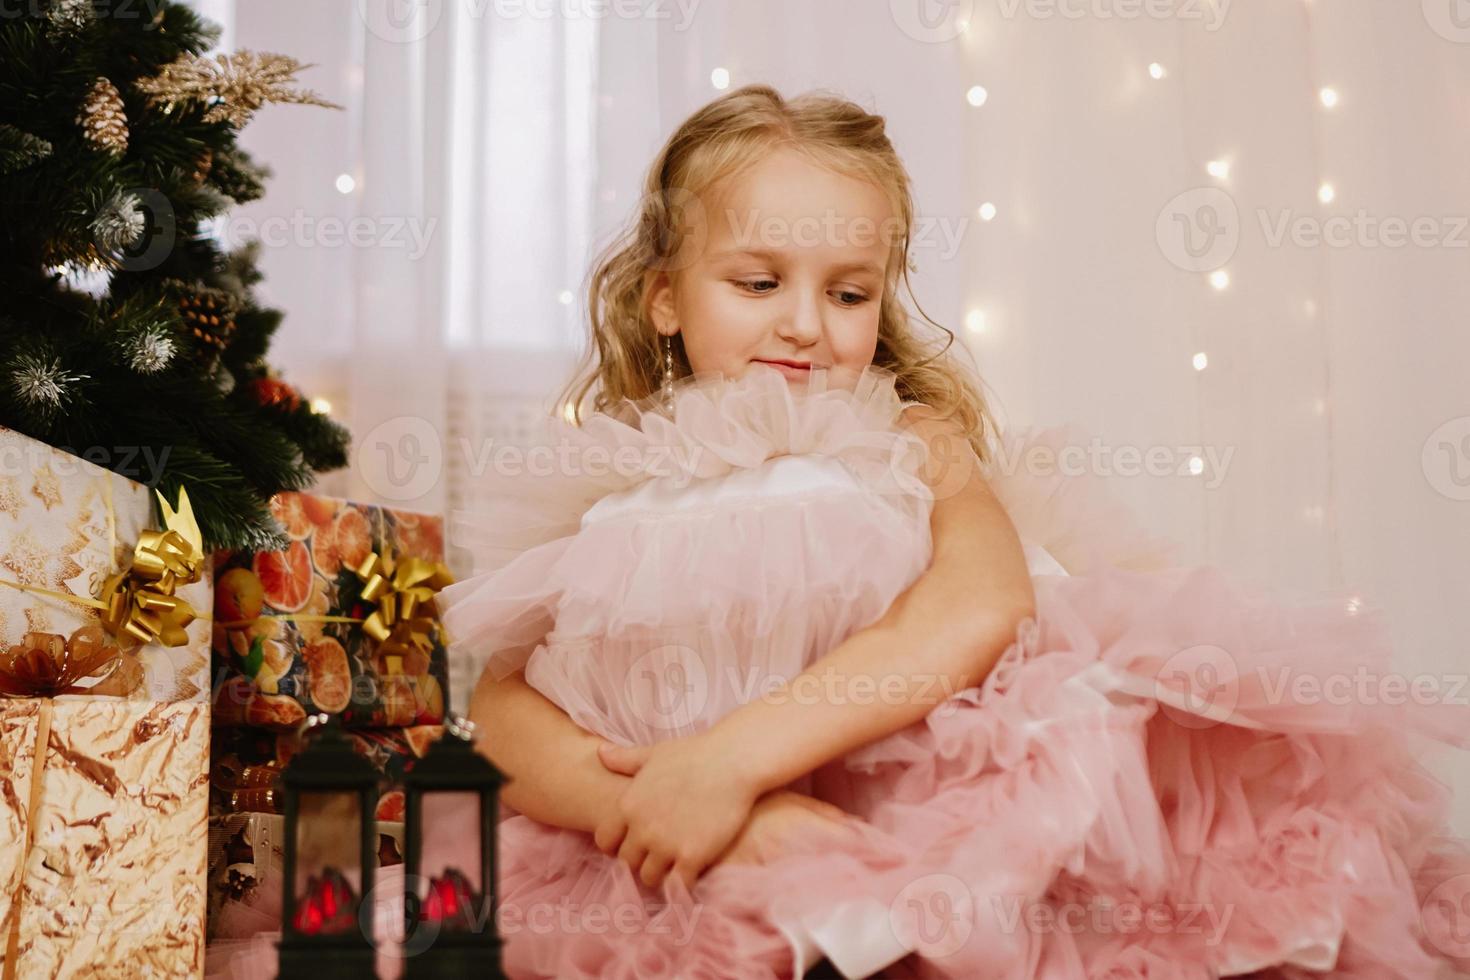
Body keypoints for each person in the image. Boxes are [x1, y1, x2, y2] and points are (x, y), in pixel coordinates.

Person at [208, 84, 1470, 980]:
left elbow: (978, 607)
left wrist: (740, 753)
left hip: (902, 811)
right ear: (663, 299)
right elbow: (508, 713)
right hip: (664, 845)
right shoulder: (599, 493)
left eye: (848, 291)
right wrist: (711, 805)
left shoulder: (909, 442)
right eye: (758, 283)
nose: (805, 323)